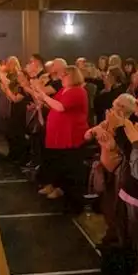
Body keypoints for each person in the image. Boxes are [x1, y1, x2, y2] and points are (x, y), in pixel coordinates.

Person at [25, 61, 89, 209]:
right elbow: (53, 103)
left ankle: (66, 193)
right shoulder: (64, 90)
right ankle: (55, 185)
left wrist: (44, 97)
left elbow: (60, 107)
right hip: (58, 133)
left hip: (71, 133)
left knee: (68, 164)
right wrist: (39, 94)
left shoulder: (77, 91)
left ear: (72, 76)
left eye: (64, 75)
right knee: (56, 161)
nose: (61, 78)